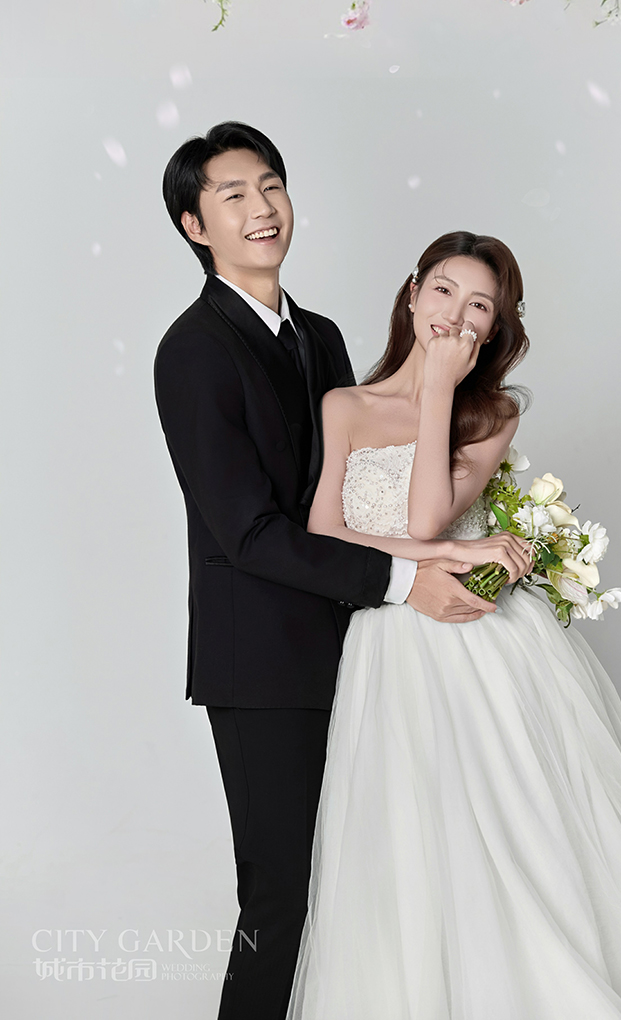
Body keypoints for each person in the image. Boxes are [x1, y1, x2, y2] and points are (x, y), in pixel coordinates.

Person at [286, 230, 621, 1019]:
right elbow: (324, 534)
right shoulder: (345, 405)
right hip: (390, 645)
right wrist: (443, 551)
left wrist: (440, 389)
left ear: (495, 329)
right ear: (411, 293)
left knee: (520, 836)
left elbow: (427, 515)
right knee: (414, 843)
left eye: (480, 307)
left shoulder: (492, 411)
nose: (454, 314)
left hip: (484, 645)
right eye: (443, 290)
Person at [153, 124, 524, 1020]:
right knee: (281, 898)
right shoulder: (193, 351)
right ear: (195, 225)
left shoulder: (317, 337)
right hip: (263, 665)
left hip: (359, 654)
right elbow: (248, 532)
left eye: (271, 186)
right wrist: (407, 580)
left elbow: (361, 501)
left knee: (362, 892)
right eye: (233, 195)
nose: (261, 208)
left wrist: (448, 548)